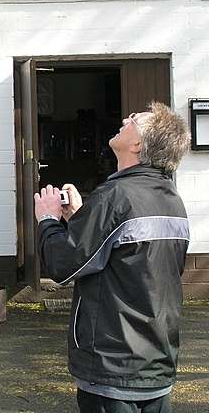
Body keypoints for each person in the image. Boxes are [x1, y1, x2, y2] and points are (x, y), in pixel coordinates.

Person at [34, 102, 191, 413]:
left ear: (137, 144)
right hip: (157, 361)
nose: (125, 118)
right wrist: (81, 217)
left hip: (113, 365)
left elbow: (63, 266)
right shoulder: (172, 200)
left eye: (134, 119)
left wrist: (48, 221)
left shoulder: (115, 197)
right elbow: (131, 262)